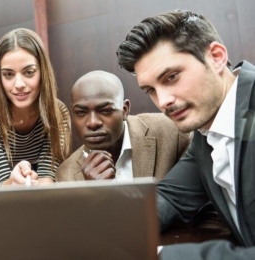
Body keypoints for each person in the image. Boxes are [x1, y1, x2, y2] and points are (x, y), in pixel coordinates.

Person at [117, 9, 255, 259]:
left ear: (216, 57)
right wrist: (101, 230)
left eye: (171, 77)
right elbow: (169, 198)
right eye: (151, 90)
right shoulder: (205, 135)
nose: (163, 101)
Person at [0, 28, 71, 186]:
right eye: (8, 74)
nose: (19, 84)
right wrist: (14, 182)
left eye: (29, 72)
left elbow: (47, 179)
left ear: (43, 72)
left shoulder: (57, 112)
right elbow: (2, 184)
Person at [56, 70, 190, 182]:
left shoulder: (173, 131)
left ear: (125, 109)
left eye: (106, 110)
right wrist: (96, 193)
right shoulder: (66, 175)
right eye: (81, 112)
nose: (92, 123)